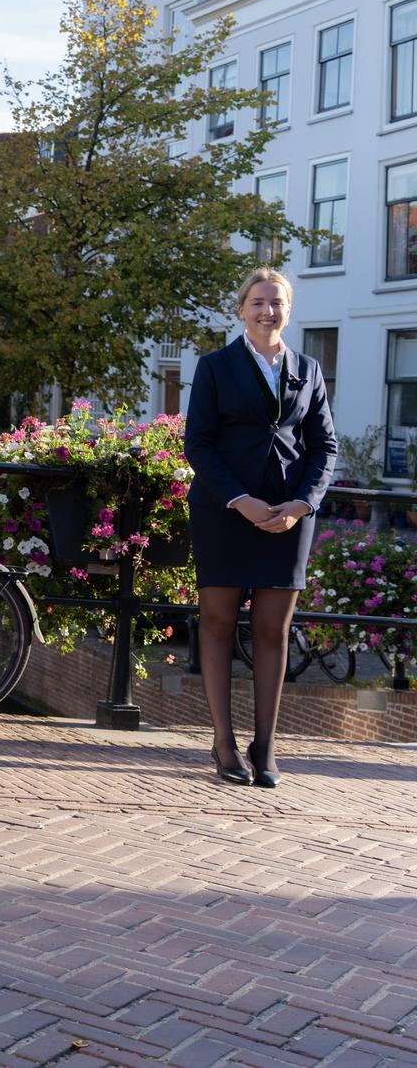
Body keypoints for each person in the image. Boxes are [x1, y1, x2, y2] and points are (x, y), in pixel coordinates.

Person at [184, 268, 335, 789]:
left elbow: (324, 447)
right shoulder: (215, 367)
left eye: (277, 303)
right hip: (226, 513)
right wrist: (240, 500)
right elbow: (198, 444)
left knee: (273, 630)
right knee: (219, 622)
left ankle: (265, 746)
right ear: (241, 308)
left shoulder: (309, 370)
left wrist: (301, 504)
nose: (268, 311)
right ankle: (224, 743)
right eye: (258, 302)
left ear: (288, 310)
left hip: (288, 517)